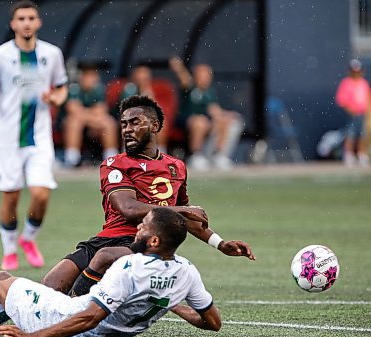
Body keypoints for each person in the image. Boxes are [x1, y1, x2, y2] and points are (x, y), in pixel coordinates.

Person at [0, 208, 223, 337]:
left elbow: (88, 318)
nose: (137, 228)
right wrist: (170, 303)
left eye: (144, 227)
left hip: (62, 328)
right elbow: (213, 322)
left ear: (154, 242)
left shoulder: (130, 268)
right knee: (14, 297)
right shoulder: (186, 272)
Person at [41, 95, 254, 295]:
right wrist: (182, 209)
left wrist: (220, 243)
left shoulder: (176, 166)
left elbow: (189, 218)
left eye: (135, 123)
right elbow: (129, 209)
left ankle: (72, 313)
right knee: (48, 288)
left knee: (76, 301)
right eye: (124, 124)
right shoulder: (114, 164)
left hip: (141, 245)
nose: (127, 130)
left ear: (155, 126)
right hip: (105, 241)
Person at [0, 0, 68, 270]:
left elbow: (62, 88)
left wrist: (54, 98)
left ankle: (28, 239)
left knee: (41, 194)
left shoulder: (51, 54)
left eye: (31, 18)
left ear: (38, 22)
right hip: (7, 139)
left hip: (39, 137)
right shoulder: (0, 55)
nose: (27, 23)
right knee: (12, 195)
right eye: (21, 18)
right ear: (13, 24)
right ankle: (9, 250)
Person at [169, 57, 244, 171]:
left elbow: (214, 110)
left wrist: (227, 115)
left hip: (205, 121)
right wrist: (178, 67)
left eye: (208, 75)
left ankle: (218, 155)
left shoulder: (209, 92)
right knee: (200, 122)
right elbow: (184, 78)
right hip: (186, 121)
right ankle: (196, 156)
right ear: (196, 76)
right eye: (203, 75)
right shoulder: (190, 88)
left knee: (223, 120)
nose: (206, 78)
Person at [61, 63, 118, 167]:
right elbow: (73, 110)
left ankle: (111, 157)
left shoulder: (98, 89)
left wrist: (88, 117)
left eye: (94, 76)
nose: (93, 79)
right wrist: (92, 116)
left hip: (91, 123)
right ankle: (72, 159)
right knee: (74, 122)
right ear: (83, 77)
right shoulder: (74, 88)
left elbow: (101, 110)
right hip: (71, 124)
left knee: (108, 122)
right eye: (90, 76)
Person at [119, 64, 171, 153]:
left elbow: (157, 110)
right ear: (134, 76)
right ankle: (128, 151)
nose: (142, 79)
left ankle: (161, 151)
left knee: (161, 123)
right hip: (131, 118)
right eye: (140, 75)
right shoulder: (129, 89)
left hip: (146, 117)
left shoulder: (151, 89)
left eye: (145, 77)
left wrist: (147, 92)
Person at [335, 58, 370, 167]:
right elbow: (341, 100)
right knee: (351, 134)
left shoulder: (364, 83)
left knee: (362, 134)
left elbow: (367, 98)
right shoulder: (346, 83)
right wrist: (350, 110)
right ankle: (349, 155)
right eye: (354, 71)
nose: (356, 74)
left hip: (363, 113)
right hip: (351, 114)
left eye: (358, 71)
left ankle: (361, 154)